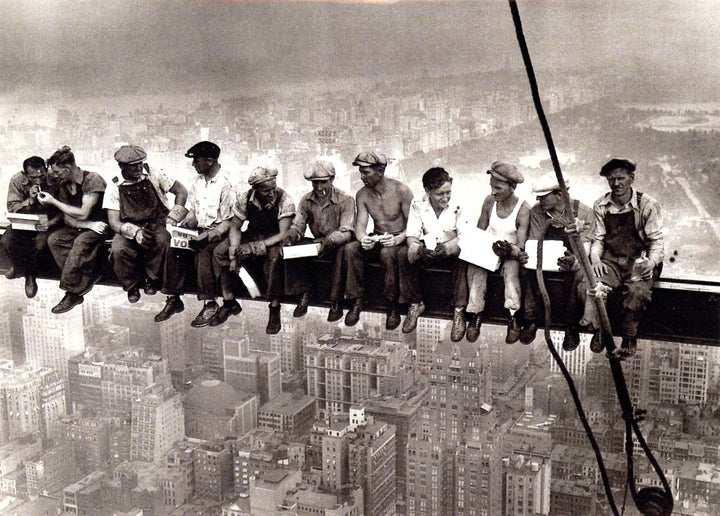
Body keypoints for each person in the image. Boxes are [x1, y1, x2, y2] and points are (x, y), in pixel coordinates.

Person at [584, 158, 664, 356]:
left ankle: (629, 335)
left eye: (621, 178)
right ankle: (601, 329)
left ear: (632, 178)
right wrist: (595, 260)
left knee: (637, 291)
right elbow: (598, 239)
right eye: (611, 179)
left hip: (639, 261)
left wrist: (652, 263)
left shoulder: (647, 205)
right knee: (597, 287)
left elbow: (656, 241)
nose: (616, 183)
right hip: (611, 259)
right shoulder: (601, 205)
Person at [154, 141, 235, 327]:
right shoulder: (198, 182)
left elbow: (228, 222)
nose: (193, 165)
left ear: (210, 161)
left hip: (220, 233)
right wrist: (179, 225)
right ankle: (173, 298)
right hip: (200, 229)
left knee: (204, 252)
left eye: (196, 161)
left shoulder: (227, 184)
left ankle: (210, 303)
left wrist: (208, 236)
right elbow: (194, 211)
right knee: (174, 246)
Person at [214, 166, 295, 334]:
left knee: (274, 259)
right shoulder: (245, 199)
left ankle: (274, 307)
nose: (271, 193)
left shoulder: (285, 199)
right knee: (220, 252)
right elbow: (236, 227)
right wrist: (234, 251)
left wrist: (253, 248)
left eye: (273, 188)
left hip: (273, 239)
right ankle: (229, 300)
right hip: (253, 234)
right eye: (266, 191)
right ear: (256, 189)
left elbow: (282, 233)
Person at [103, 145, 188, 304]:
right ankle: (131, 286)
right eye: (133, 165)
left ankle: (151, 279)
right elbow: (114, 221)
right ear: (122, 167)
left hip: (157, 221)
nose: (138, 168)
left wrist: (173, 218)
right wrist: (135, 233)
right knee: (117, 249)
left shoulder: (154, 173)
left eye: (140, 163)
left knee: (163, 241)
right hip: (129, 226)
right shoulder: (114, 185)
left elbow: (181, 191)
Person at [519, 172, 593, 349]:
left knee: (577, 276)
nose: (538, 199)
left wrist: (574, 260)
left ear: (560, 194)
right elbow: (535, 240)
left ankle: (571, 326)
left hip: (573, 259)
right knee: (528, 270)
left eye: (543, 196)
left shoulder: (583, 212)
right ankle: (531, 319)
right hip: (546, 256)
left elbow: (586, 246)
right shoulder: (537, 212)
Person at [344, 150, 413, 330]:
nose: (362, 176)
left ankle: (392, 306)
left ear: (380, 171)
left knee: (387, 254)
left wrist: (398, 239)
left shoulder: (402, 191)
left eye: (366, 172)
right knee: (351, 249)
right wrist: (363, 239)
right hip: (378, 237)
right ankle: (357, 300)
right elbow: (360, 226)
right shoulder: (363, 195)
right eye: (361, 172)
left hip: (399, 239)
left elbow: (414, 226)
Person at [464, 161, 530, 344]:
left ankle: (513, 315)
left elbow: (522, 245)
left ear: (512, 187)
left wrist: (510, 250)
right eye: (492, 187)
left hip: (510, 252)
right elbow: (480, 230)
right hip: (489, 249)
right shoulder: (489, 201)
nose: (493, 192)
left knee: (511, 272)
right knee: (476, 267)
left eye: (498, 188)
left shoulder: (523, 209)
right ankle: (476, 313)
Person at [38, 146, 108, 314]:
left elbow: (83, 213)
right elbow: (68, 218)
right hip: (86, 226)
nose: (54, 175)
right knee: (54, 239)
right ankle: (85, 278)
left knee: (81, 242)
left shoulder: (92, 180)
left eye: (57, 172)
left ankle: (72, 292)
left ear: (67, 168)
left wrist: (53, 202)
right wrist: (87, 225)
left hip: (102, 226)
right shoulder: (63, 184)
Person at [284, 160, 355, 322]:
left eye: (323, 182)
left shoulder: (345, 200)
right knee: (295, 249)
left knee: (342, 252)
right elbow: (299, 225)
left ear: (332, 180)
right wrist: (291, 236)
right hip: (318, 242)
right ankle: (304, 293)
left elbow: (347, 230)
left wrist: (330, 240)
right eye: (315, 183)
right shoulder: (306, 201)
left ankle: (335, 302)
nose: (319, 188)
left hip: (337, 242)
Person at [399, 167, 468, 335]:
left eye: (448, 192)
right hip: (430, 249)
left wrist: (448, 248)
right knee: (403, 255)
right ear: (428, 191)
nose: (445, 198)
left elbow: (465, 235)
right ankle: (415, 302)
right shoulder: (418, 206)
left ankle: (459, 310)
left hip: (451, 249)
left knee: (464, 257)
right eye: (440, 194)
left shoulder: (458, 205)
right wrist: (420, 249)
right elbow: (412, 235)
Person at [1, 156, 61, 298]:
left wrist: (50, 219)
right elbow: (12, 208)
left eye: (41, 176)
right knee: (6, 241)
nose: (38, 180)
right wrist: (30, 200)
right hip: (24, 220)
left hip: (47, 221)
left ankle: (30, 276)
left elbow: (63, 208)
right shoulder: (17, 180)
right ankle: (18, 267)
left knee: (40, 245)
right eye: (33, 177)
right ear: (25, 174)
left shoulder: (55, 179)